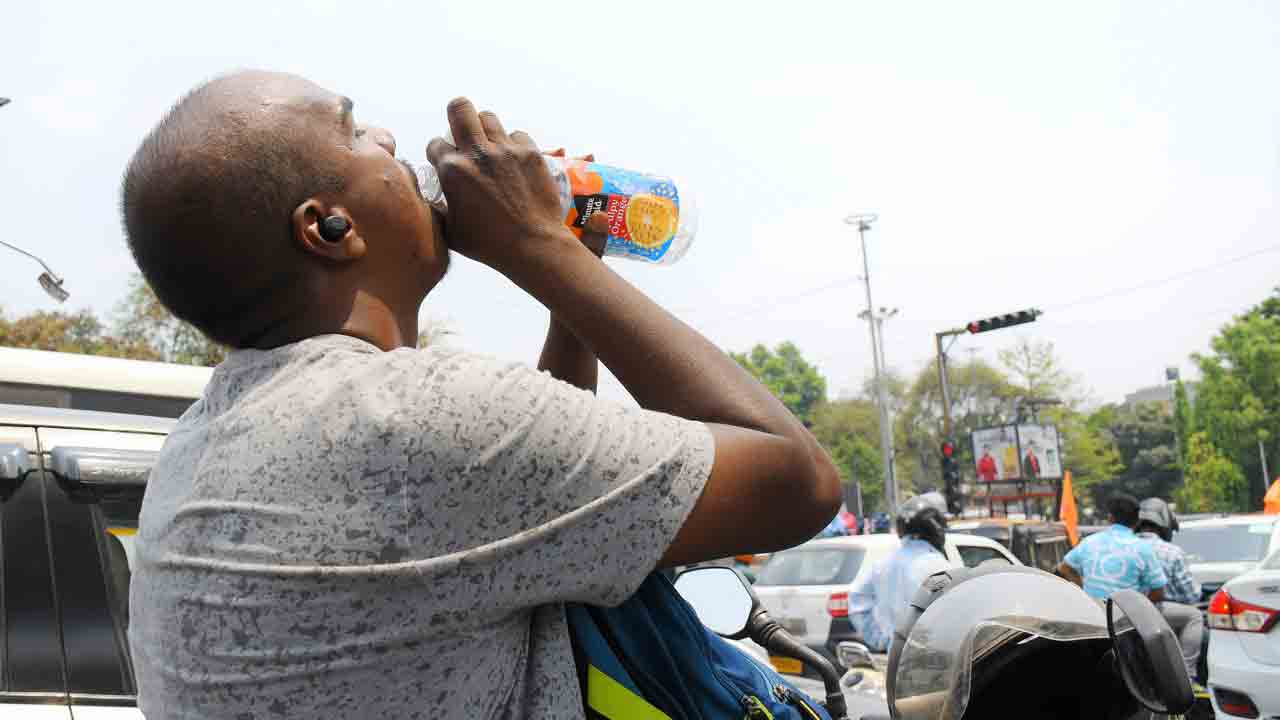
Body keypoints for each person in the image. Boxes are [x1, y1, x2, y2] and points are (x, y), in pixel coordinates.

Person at [122, 71, 841, 719]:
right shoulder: (413, 418)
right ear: (328, 229)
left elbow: (537, 502)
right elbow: (798, 483)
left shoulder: (201, 442)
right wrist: (538, 248)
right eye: (354, 129)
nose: (389, 136)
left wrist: (569, 284)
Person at [847, 492, 951, 652]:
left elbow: (857, 601)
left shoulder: (881, 564)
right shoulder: (939, 566)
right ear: (936, 530)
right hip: (933, 657)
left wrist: (881, 641)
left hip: (894, 658)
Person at [1137, 497, 1204, 684]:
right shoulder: (1171, 551)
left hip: (1123, 612)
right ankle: (1187, 677)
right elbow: (1190, 595)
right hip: (1157, 612)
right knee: (1195, 616)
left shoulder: (1126, 547)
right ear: (1165, 524)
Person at [1056, 493, 1167, 602]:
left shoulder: (1090, 542)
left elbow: (1064, 568)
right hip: (1126, 617)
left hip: (1093, 615)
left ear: (1110, 518)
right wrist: (1138, 609)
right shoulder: (1143, 548)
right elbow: (1158, 591)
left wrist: (1083, 593)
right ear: (1138, 521)